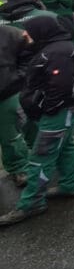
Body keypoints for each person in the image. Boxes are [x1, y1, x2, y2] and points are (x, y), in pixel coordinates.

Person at [0, 16, 74, 226]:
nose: (24, 34)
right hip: (63, 111)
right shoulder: (54, 48)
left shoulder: (56, 53)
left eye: (28, 31)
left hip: (58, 112)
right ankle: (71, 184)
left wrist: (47, 108)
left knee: (42, 155)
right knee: (65, 145)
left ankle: (31, 203)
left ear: (41, 31)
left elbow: (62, 87)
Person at [0, 25, 29, 188]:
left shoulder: (9, 33)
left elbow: (28, 54)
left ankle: (20, 168)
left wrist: (18, 78)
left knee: (10, 136)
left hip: (6, 93)